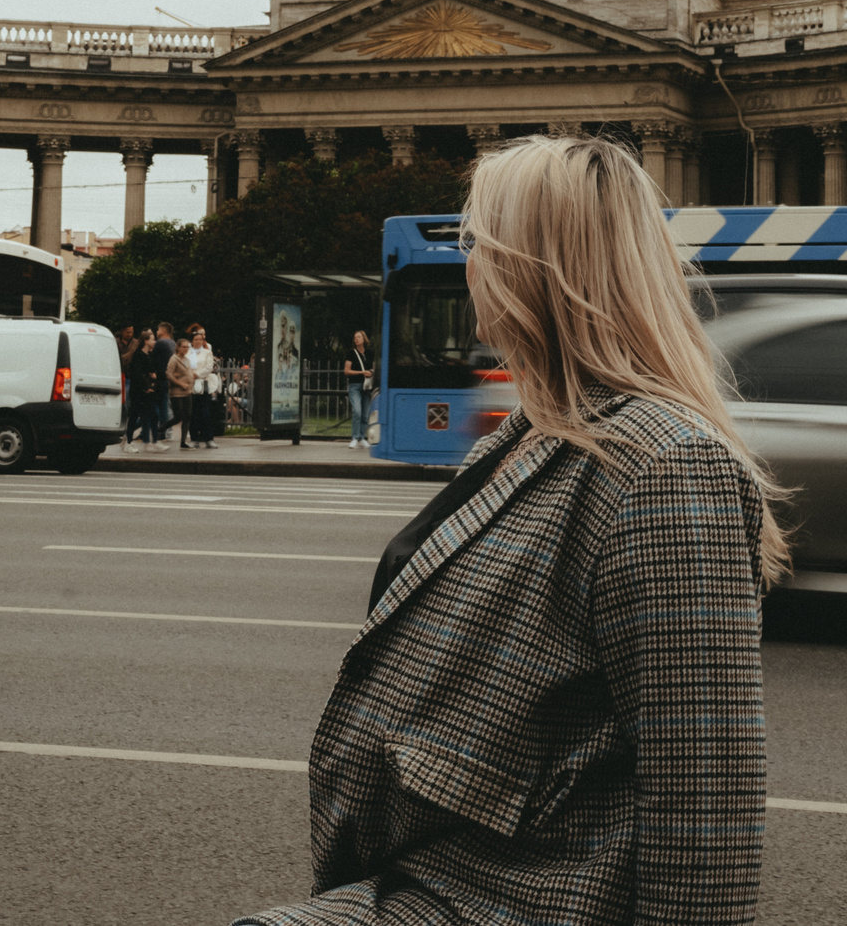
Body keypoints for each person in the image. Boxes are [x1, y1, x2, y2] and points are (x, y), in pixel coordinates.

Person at [238, 133, 787, 926]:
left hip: (507, 902)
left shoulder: (668, 468)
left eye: (477, 240)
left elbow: (703, 820)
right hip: (430, 883)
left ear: (537, 266)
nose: (469, 263)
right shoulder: (537, 429)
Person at [168, 328, 206, 451]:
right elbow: (169, 374)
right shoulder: (174, 359)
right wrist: (179, 383)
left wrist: (190, 381)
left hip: (187, 392)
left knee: (187, 416)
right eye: (184, 347)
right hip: (178, 392)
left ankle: (183, 441)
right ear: (178, 347)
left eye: (187, 347)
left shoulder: (187, 360)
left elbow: (190, 372)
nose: (186, 349)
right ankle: (160, 429)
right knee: (178, 416)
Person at [142, 321, 178, 451]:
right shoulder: (173, 343)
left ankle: (155, 432)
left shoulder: (161, 343)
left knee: (154, 409)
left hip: (158, 379)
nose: (156, 332)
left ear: (163, 330)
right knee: (164, 407)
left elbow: (153, 359)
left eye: (157, 330)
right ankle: (163, 433)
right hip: (167, 379)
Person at [183, 324, 220, 448]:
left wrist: (197, 374)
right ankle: (194, 439)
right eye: (196, 340)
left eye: (200, 339)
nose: (198, 341)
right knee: (193, 413)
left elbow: (208, 367)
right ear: (192, 341)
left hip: (203, 384)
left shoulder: (207, 353)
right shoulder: (187, 352)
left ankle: (209, 438)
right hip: (190, 385)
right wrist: (189, 375)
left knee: (205, 412)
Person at [341, 330, 376, 450]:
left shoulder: (370, 353)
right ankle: (355, 438)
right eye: (355, 337)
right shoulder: (351, 353)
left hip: (367, 386)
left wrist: (371, 372)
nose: (356, 339)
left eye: (359, 337)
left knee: (365, 413)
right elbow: (346, 371)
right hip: (355, 385)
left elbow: (374, 367)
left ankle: (362, 437)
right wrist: (362, 372)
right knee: (357, 411)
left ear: (364, 339)